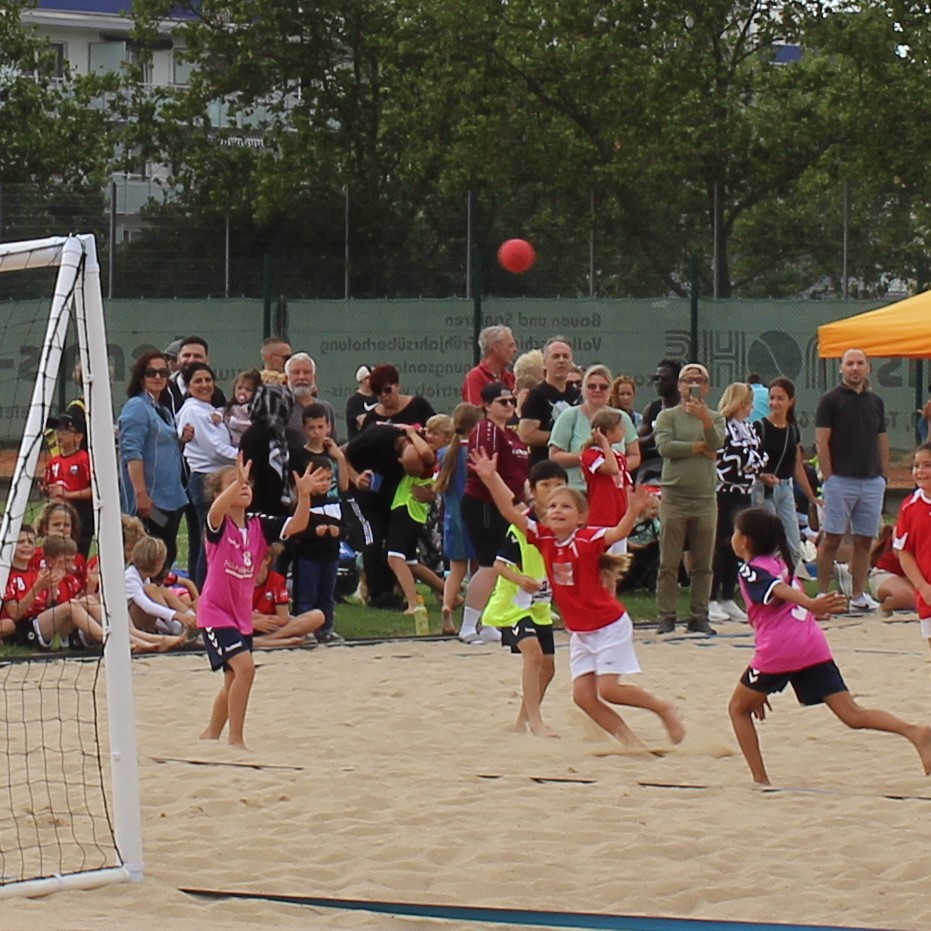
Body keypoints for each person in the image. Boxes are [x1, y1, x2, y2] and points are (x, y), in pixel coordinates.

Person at [471, 449, 684, 751]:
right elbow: (509, 511)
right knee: (583, 697)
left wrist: (633, 510)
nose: (557, 510)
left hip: (609, 625)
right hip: (581, 632)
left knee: (609, 690)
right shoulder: (543, 538)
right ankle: (631, 743)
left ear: (581, 517)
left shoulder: (588, 539)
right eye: (553, 506)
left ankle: (664, 709)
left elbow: (618, 532)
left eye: (566, 506)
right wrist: (490, 477)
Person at [727, 506, 931, 786]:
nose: (732, 537)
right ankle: (914, 732)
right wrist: (760, 688)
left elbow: (778, 591)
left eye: (735, 532)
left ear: (745, 541)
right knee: (853, 714)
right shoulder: (780, 564)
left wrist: (811, 603)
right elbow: (780, 601)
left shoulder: (751, 569)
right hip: (811, 644)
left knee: (738, 709)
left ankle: (760, 781)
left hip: (781, 649)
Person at [198, 455, 327, 750]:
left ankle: (210, 734)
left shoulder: (258, 524)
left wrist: (304, 495)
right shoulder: (218, 524)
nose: (244, 486)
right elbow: (215, 510)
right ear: (218, 494)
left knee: (233, 679)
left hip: (241, 615)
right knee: (246, 669)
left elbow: (298, 524)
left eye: (246, 483)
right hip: (216, 613)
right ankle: (236, 740)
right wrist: (237, 481)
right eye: (234, 483)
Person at [482, 459, 568, 737]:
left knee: (548, 667)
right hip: (512, 606)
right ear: (532, 489)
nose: (553, 490)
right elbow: (498, 565)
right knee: (533, 655)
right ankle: (536, 722)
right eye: (546, 485)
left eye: (559, 485)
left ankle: (522, 721)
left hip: (539, 606)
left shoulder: (563, 526)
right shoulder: (523, 526)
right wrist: (521, 580)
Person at [654, 362, 726, 635]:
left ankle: (699, 615)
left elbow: (716, 444)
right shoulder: (668, 416)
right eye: (687, 380)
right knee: (669, 562)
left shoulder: (716, 417)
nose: (693, 385)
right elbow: (665, 447)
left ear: (706, 387)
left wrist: (705, 420)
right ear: (679, 385)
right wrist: (699, 447)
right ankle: (666, 615)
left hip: (705, 497)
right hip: (675, 496)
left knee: (703, 563)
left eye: (699, 380)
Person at [815, 349, 888, 612]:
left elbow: (881, 439)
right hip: (840, 480)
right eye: (849, 364)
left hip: (871, 480)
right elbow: (822, 441)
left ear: (868, 368)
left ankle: (858, 595)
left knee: (864, 540)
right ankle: (822, 594)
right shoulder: (830, 400)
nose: (854, 368)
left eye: (859, 363)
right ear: (841, 368)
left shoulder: (875, 401)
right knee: (832, 539)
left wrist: (883, 475)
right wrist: (830, 477)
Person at [458, 382, 530, 643]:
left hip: (507, 504)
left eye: (512, 401)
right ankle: (468, 626)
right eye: (503, 402)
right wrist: (513, 502)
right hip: (485, 503)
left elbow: (518, 474)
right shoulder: (486, 430)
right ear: (487, 405)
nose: (509, 405)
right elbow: (487, 472)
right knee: (489, 564)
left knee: (505, 563)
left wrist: (527, 499)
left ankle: (489, 621)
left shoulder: (511, 434)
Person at [118, 350, 189, 570]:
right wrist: (141, 493)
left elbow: (162, 448)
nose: (158, 377)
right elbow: (132, 452)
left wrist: (181, 441)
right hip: (151, 500)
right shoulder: (136, 407)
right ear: (141, 377)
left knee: (166, 552)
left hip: (170, 497)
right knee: (150, 556)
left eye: (163, 372)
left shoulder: (163, 409)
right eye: (151, 372)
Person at [175, 361, 240, 588]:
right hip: (207, 480)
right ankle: (204, 594)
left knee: (208, 541)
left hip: (217, 478)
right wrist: (244, 456)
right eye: (198, 381)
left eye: (208, 380)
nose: (204, 385)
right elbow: (215, 450)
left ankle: (204, 592)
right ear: (188, 386)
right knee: (210, 542)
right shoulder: (192, 410)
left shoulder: (209, 410)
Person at [290, 404, 350, 644]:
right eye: (312, 427)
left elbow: (344, 487)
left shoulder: (333, 454)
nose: (317, 432)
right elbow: (295, 492)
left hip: (331, 524)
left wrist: (340, 458)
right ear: (304, 429)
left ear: (329, 427)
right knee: (307, 589)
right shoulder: (299, 456)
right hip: (309, 524)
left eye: (321, 427)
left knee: (327, 591)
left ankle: (327, 627)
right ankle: (304, 627)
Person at [708, 382, 766, 623]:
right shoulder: (723, 426)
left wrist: (751, 460)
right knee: (721, 543)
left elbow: (761, 456)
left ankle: (727, 596)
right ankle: (711, 597)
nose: (751, 408)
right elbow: (729, 459)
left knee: (738, 544)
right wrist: (750, 459)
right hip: (725, 492)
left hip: (745, 491)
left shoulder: (749, 427)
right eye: (748, 403)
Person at [751, 377, 820, 578]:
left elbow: (797, 465)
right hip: (763, 489)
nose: (775, 403)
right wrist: (761, 476)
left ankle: (789, 579)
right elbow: (750, 462)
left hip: (785, 487)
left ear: (791, 401)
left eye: (780, 398)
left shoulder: (792, 429)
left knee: (792, 543)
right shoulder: (760, 427)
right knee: (769, 539)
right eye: (772, 398)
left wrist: (811, 497)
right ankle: (767, 579)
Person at [434, 403, 483, 635]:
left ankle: (447, 605)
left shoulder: (444, 453)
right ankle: (475, 615)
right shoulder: (476, 452)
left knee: (455, 570)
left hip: (452, 518)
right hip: (475, 517)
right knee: (478, 569)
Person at [549, 364, 639, 490]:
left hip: (613, 491)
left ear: (610, 390)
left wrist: (617, 465)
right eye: (591, 386)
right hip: (578, 490)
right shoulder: (570, 416)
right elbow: (554, 455)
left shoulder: (621, 418)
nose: (597, 390)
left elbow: (635, 455)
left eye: (603, 387)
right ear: (583, 388)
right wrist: (591, 459)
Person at [892, 442, 931, 649]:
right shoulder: (910, 506)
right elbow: (904, 552)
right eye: (916, 465)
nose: (920, 471)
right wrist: (923, 588)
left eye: (927, 465)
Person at [518, 336, 579, 465]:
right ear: (545, 363)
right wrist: (563, 437)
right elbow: (526, 435)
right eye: (556, 356)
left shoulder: (578, 395)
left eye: (565, 356)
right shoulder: (536, 395)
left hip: (574, 467)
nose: (561, 360)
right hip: (545, 466)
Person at [579, 409, 633, 553]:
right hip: (601, 517)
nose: (623, 431)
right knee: (603, 561)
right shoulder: (590, 455)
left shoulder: (619, 456)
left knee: (619, 561)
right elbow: (611, 469)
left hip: (619, 518)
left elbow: (626, 486)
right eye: (620, 428)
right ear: (608, 433)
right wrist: (604, 443)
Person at [251, 543, 324, 647]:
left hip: (271, 625)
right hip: (247, 625)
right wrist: (253, 622)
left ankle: (268, 640)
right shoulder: (240, 580)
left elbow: (283, 618)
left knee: (317, 616)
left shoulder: (276, 580)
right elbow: (235, 615)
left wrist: (259, 618)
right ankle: (283, 641)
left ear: (266, 560)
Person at [238, 383, 295, 516]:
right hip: (260, 511)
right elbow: (251, 476)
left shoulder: (282, 434)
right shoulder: (255, 435)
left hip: (278, 508)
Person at [42, 411, 93, 557]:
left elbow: (94, 491)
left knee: (76, 554)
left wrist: (68, 494)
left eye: (65, 430)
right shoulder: (54, 462)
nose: (59, 434)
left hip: (80, 514)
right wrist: (46, 490)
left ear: (78, 437)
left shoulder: (84, 459)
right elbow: (50, 488)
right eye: (58, 430)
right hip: (58, 512)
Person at [636, 359, 682, 484]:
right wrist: (654, 437)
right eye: (656, 378)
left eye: (664, 379)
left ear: (677, 381)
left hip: (681, 467)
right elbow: (635, 444)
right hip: (653, 467)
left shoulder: (688, 409)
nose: (659, 382)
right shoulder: (652, 409)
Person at [360, 363, 435, 432]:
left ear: (397, 386)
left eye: (387, 390)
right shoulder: (372, 418)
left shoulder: (418, 405)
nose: (383, 395)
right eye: (377, 391)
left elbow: (437, 430)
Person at [285, 352, 337, 445]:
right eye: (296, 372)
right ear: (286, 378)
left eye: (307, 372)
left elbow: (333, 443)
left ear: (315, 378)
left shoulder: (326, 408)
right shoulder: (281, 409)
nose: (301, 377)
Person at [462, 325, 518, 404]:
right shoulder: (475, 377)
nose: (515, 350)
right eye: (510, 346)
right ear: (496, 347)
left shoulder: (510, 377)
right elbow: (475, 409)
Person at [868, 525, 915, 616]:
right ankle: (883, 610)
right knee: (908, 597)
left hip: (917, 577)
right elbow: (899, 553)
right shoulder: (907, 523)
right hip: (887, 573)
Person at [224, 368, 262, 447]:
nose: (242, 392)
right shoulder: (230, 406)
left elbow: (253, 426)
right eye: (239, 388)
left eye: (248, 390)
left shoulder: (254, 408)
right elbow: (222, 413)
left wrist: (234, 423)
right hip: (232, 444)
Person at [345, 364, 375, 441]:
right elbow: (366, 424)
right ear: (362, 380)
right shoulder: (354, 401)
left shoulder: (379, 397)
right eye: (369, 378)